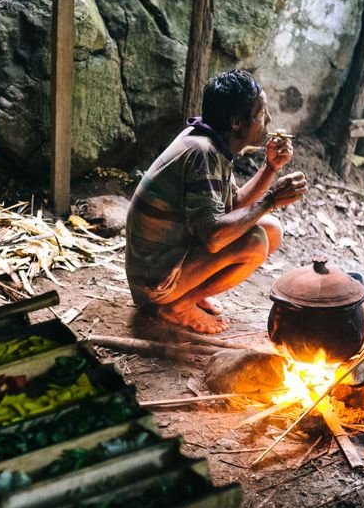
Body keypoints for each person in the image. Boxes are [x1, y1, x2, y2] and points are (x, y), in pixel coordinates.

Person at [125, 69, 308, 334]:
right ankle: (177, 306)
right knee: (255, 241)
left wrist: (270, 168)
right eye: (261, 114)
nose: (268, 120)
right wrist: (270, 199)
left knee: (271, 229)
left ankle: (190, 292)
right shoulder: (203, 153)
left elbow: (232, 206)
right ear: (236, 122)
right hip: (154, 279)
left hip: (168, 258)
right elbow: (214, 238)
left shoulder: (210, 140)